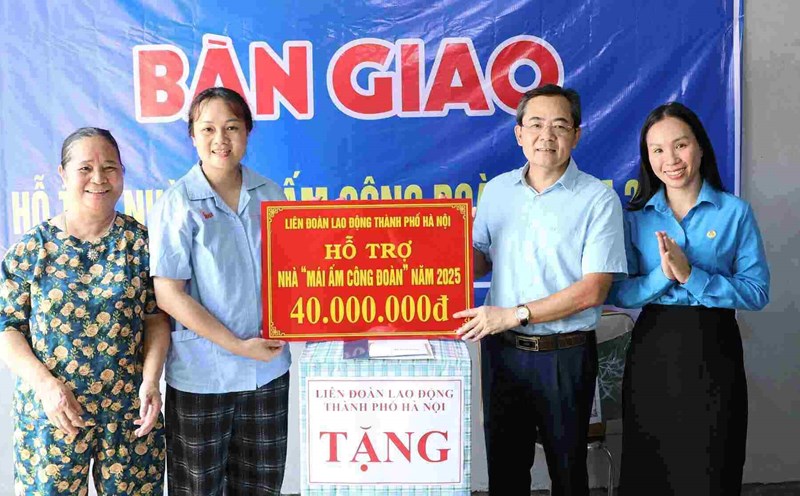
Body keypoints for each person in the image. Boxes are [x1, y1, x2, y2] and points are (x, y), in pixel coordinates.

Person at [454, 84, 627, 496]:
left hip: (564, 355)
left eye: (558, 125)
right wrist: (437, 243)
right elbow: (480, 259)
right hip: (501, 353)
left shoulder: (598, 200)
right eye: (535, 124)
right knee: (505, 471)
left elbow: (592, 291)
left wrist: (515, 313)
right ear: (518, 133)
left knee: (568, 475)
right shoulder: (496, 191)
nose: (545, 136)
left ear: (577, 134)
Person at [607, 102, 769, 495]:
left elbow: (757, 291)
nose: (670, 159)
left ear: (699, 147)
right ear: (648, 159)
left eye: (680, 145)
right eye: (657, 150)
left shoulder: (734, 212)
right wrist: (662, 277)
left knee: (712, 462)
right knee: (650, 465)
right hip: (652, 350)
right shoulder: (637, 217)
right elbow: (618, 291)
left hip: (713, 349)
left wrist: (692, 276)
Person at [0, 127, 169, 495]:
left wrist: (152, 380)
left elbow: (156, 319)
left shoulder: (141, 245)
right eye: (85, 168)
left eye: (110, 168)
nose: (99, 179)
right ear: (62, 175)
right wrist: (46, 386)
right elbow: (6, 328)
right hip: (53, 412)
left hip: (129, 414)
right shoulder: (32, 250)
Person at [148, 86, 290, 496]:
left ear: (247, 131)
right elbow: (169, 295)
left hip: (268, 371)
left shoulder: (272, 195)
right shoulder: (178, 203)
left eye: (231, 127)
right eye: (207, 128)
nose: (220, 139)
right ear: (192, 135)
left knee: (262, 485)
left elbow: (293, 275)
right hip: (202, 377)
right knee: (198, 488)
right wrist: (237, 345)